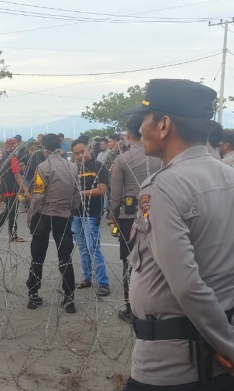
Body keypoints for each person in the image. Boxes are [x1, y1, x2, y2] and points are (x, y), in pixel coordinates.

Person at [110, 79, 234, 391]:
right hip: (221, 363)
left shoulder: (162, 188)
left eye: (144, 118)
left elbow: (186, 285)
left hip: (168, 368)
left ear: (164, 124)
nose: (139, 128)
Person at [110, 115, 162, 323]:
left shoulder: (122, 159)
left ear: (129, 134)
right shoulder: (160, 157)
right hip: (156, 212)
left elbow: (115, 195)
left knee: (129, 263)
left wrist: (113, 217)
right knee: (158, 260)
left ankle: (131, 307)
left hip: (129, 216)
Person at [26, 133, 80, 312]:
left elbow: (38, 195)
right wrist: (69, 210)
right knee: (65, 258)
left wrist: (31, 216)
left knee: (37, 257)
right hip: (63, 217)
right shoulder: (72, 167)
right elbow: (76, 196)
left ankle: (33, 295)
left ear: (44, 148)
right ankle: (69, 299)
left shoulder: (43, 167)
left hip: (44, 215)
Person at [70, 136, 110, 297]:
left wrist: (80, 194)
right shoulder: (75, 168)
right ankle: (87, 277)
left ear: (89, 149)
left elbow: (102, 190)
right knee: (82, 247)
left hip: (92, 213)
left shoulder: (99, 167)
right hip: (76, 214)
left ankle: (103, 283)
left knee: (93, 247)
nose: (80, 156)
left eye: (82, 152)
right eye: (76, 154)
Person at [0, 138, 31, 242]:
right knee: (12, 212)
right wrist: (26, 190)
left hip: (6, 186)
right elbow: (17, 176)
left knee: (9, 211)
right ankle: (13, 235)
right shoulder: (13, 158)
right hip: (12, 187)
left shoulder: (4, 155)